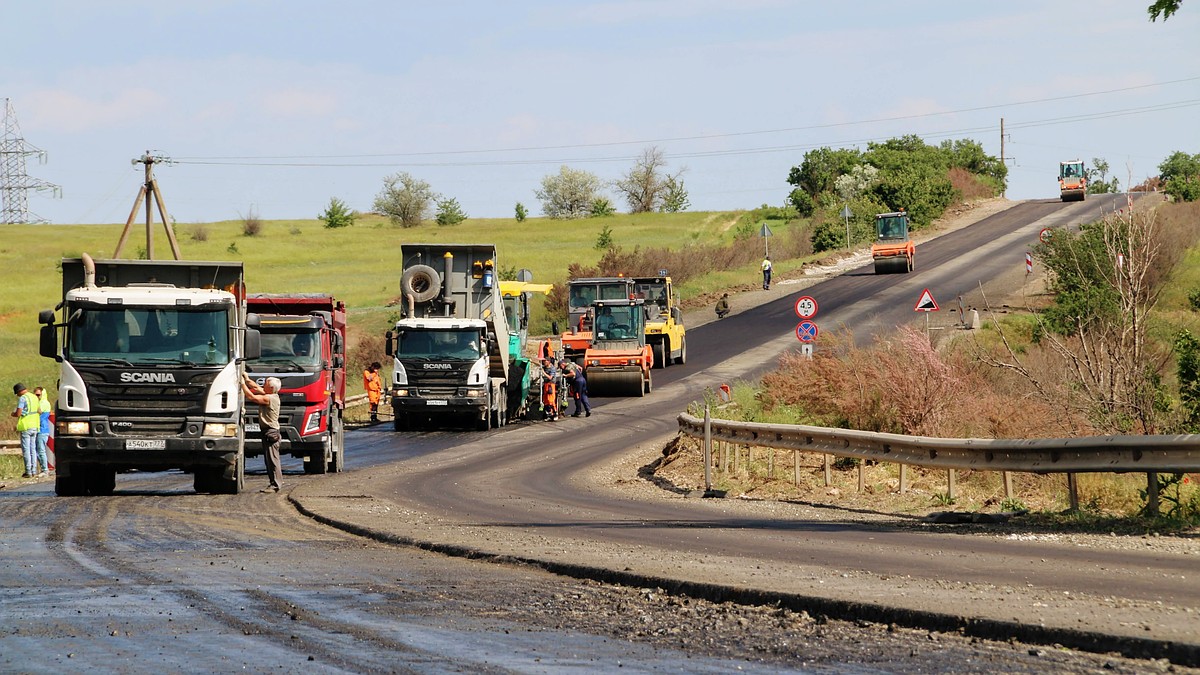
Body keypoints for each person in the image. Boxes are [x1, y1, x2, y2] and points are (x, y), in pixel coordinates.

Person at [242, 375, 283, 493]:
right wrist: (246, 378)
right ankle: (274, 483)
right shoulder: (270, 394)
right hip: (268, 432)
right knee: (269, 459)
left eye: (265, 384)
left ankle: (275, 484)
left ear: (270, 387)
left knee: (272, 460)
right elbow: (255, 387)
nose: (262, 385)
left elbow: (251, 397)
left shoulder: (269, 398)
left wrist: (241, 385)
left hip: (271, 432)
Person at [11, 383, 40, 478]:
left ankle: (28, 471)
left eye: (17, 393)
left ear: (19, 391)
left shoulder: (23, 398)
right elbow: (39, 411)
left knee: (26, 449)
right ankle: (34, 470)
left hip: (26, 426)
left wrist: (13, 414)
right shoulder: (34, 397)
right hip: (35, 425)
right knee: (33, 449)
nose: (17, 395)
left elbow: (19, 413)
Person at [33, 386, 52, 476]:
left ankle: (45, 469)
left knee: (41, 450)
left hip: (42, 430)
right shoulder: (40, 402)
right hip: (38, 429)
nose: (37, 396)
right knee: (37, 450)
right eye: (35, 394)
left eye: (38, 394)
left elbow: (39, 416)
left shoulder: (44, 403)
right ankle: (42, 469)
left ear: (42, 394)